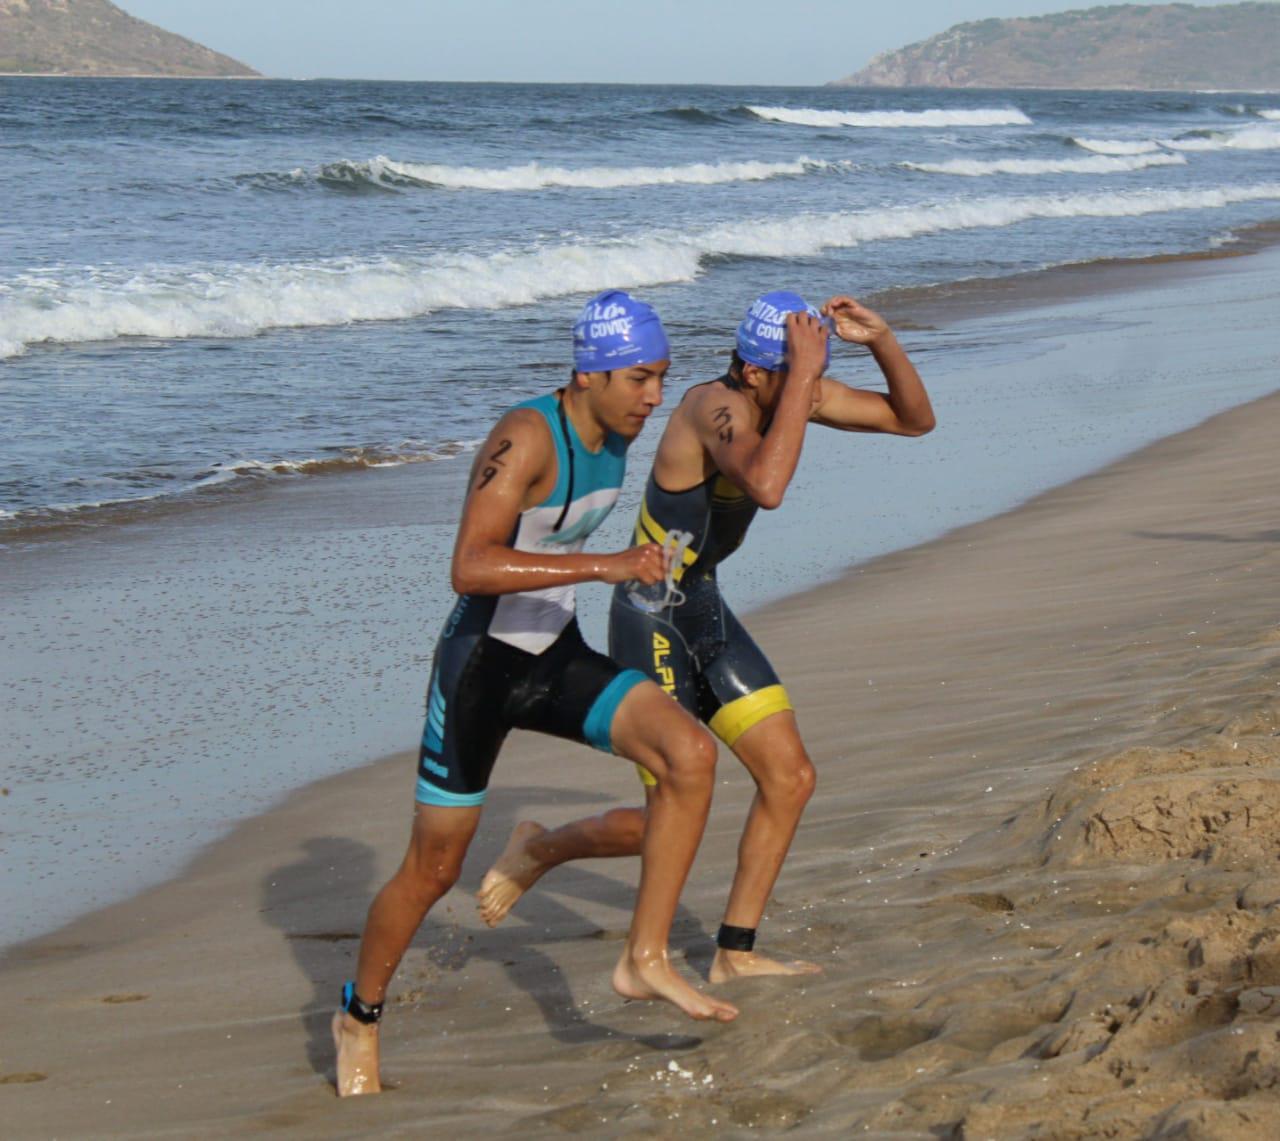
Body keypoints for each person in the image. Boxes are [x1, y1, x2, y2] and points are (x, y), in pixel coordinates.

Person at [333, 290, 738, 1098]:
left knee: (690, 756)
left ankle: (644, 955)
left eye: (662, 377)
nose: (653, 396)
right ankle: (359, 1016)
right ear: (589, 374)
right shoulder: (524, 437)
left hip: (554, 656)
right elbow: (470, 565)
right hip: (480, 670)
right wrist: (607, 565)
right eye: (639, 378)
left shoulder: (618, 432)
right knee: (433, 869)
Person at [477, 290, 935, 983]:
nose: (811, 385)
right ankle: (542, 847)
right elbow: (768, 485)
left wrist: (881, 341)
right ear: (754, 372)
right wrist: (804, 382)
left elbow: (914, 420)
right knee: (670, 810)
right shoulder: (711, 410)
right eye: (798, 370)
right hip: (649, 614)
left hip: (704, 607)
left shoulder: (792, 395)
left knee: (790, 777)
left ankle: (735, 952)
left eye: (814, 372)